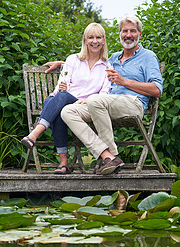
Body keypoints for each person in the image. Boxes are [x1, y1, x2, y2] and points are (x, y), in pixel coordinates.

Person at [58, 15, 163, 175]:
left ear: (139, 35)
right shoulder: (113, 58)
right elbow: (89, 59)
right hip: (104, 104)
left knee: (94, 100)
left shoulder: (148, 57)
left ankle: (112, 155)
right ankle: (107, 156)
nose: (128, 35)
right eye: (124, 31)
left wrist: (124, 81)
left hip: (133, 104)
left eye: (133, 31)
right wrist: (61, 64)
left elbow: (157, 90)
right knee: (67, 111)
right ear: (119, 34)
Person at [21, 23, 110, 174]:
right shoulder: (73, 60)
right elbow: (63, 83)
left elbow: (105, 92)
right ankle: (63, 164)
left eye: (98, 37)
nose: (94, 41)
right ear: (85, 40)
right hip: (66, 100)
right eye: (91, 37)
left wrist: (89, 100)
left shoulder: (107, 65)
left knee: (56, 101)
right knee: (58, 102)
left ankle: (36, 135)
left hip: (85, 105)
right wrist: (62, 89)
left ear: (103, 41)